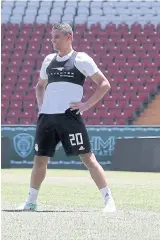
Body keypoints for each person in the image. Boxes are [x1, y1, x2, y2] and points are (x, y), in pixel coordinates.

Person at [17, 23, 116, 212]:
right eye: (52, 37)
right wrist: (41, 107)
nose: (53, 40)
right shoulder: (48, 60)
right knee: (39, 160)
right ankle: (31, 202)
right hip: (47, 119)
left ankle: (109, 201)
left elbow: (104, 84)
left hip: (69, 118)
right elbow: (39, 86)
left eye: (57, 37)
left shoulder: (81, 59)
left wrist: (86, 105)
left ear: (69, 37)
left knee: (88, 158)